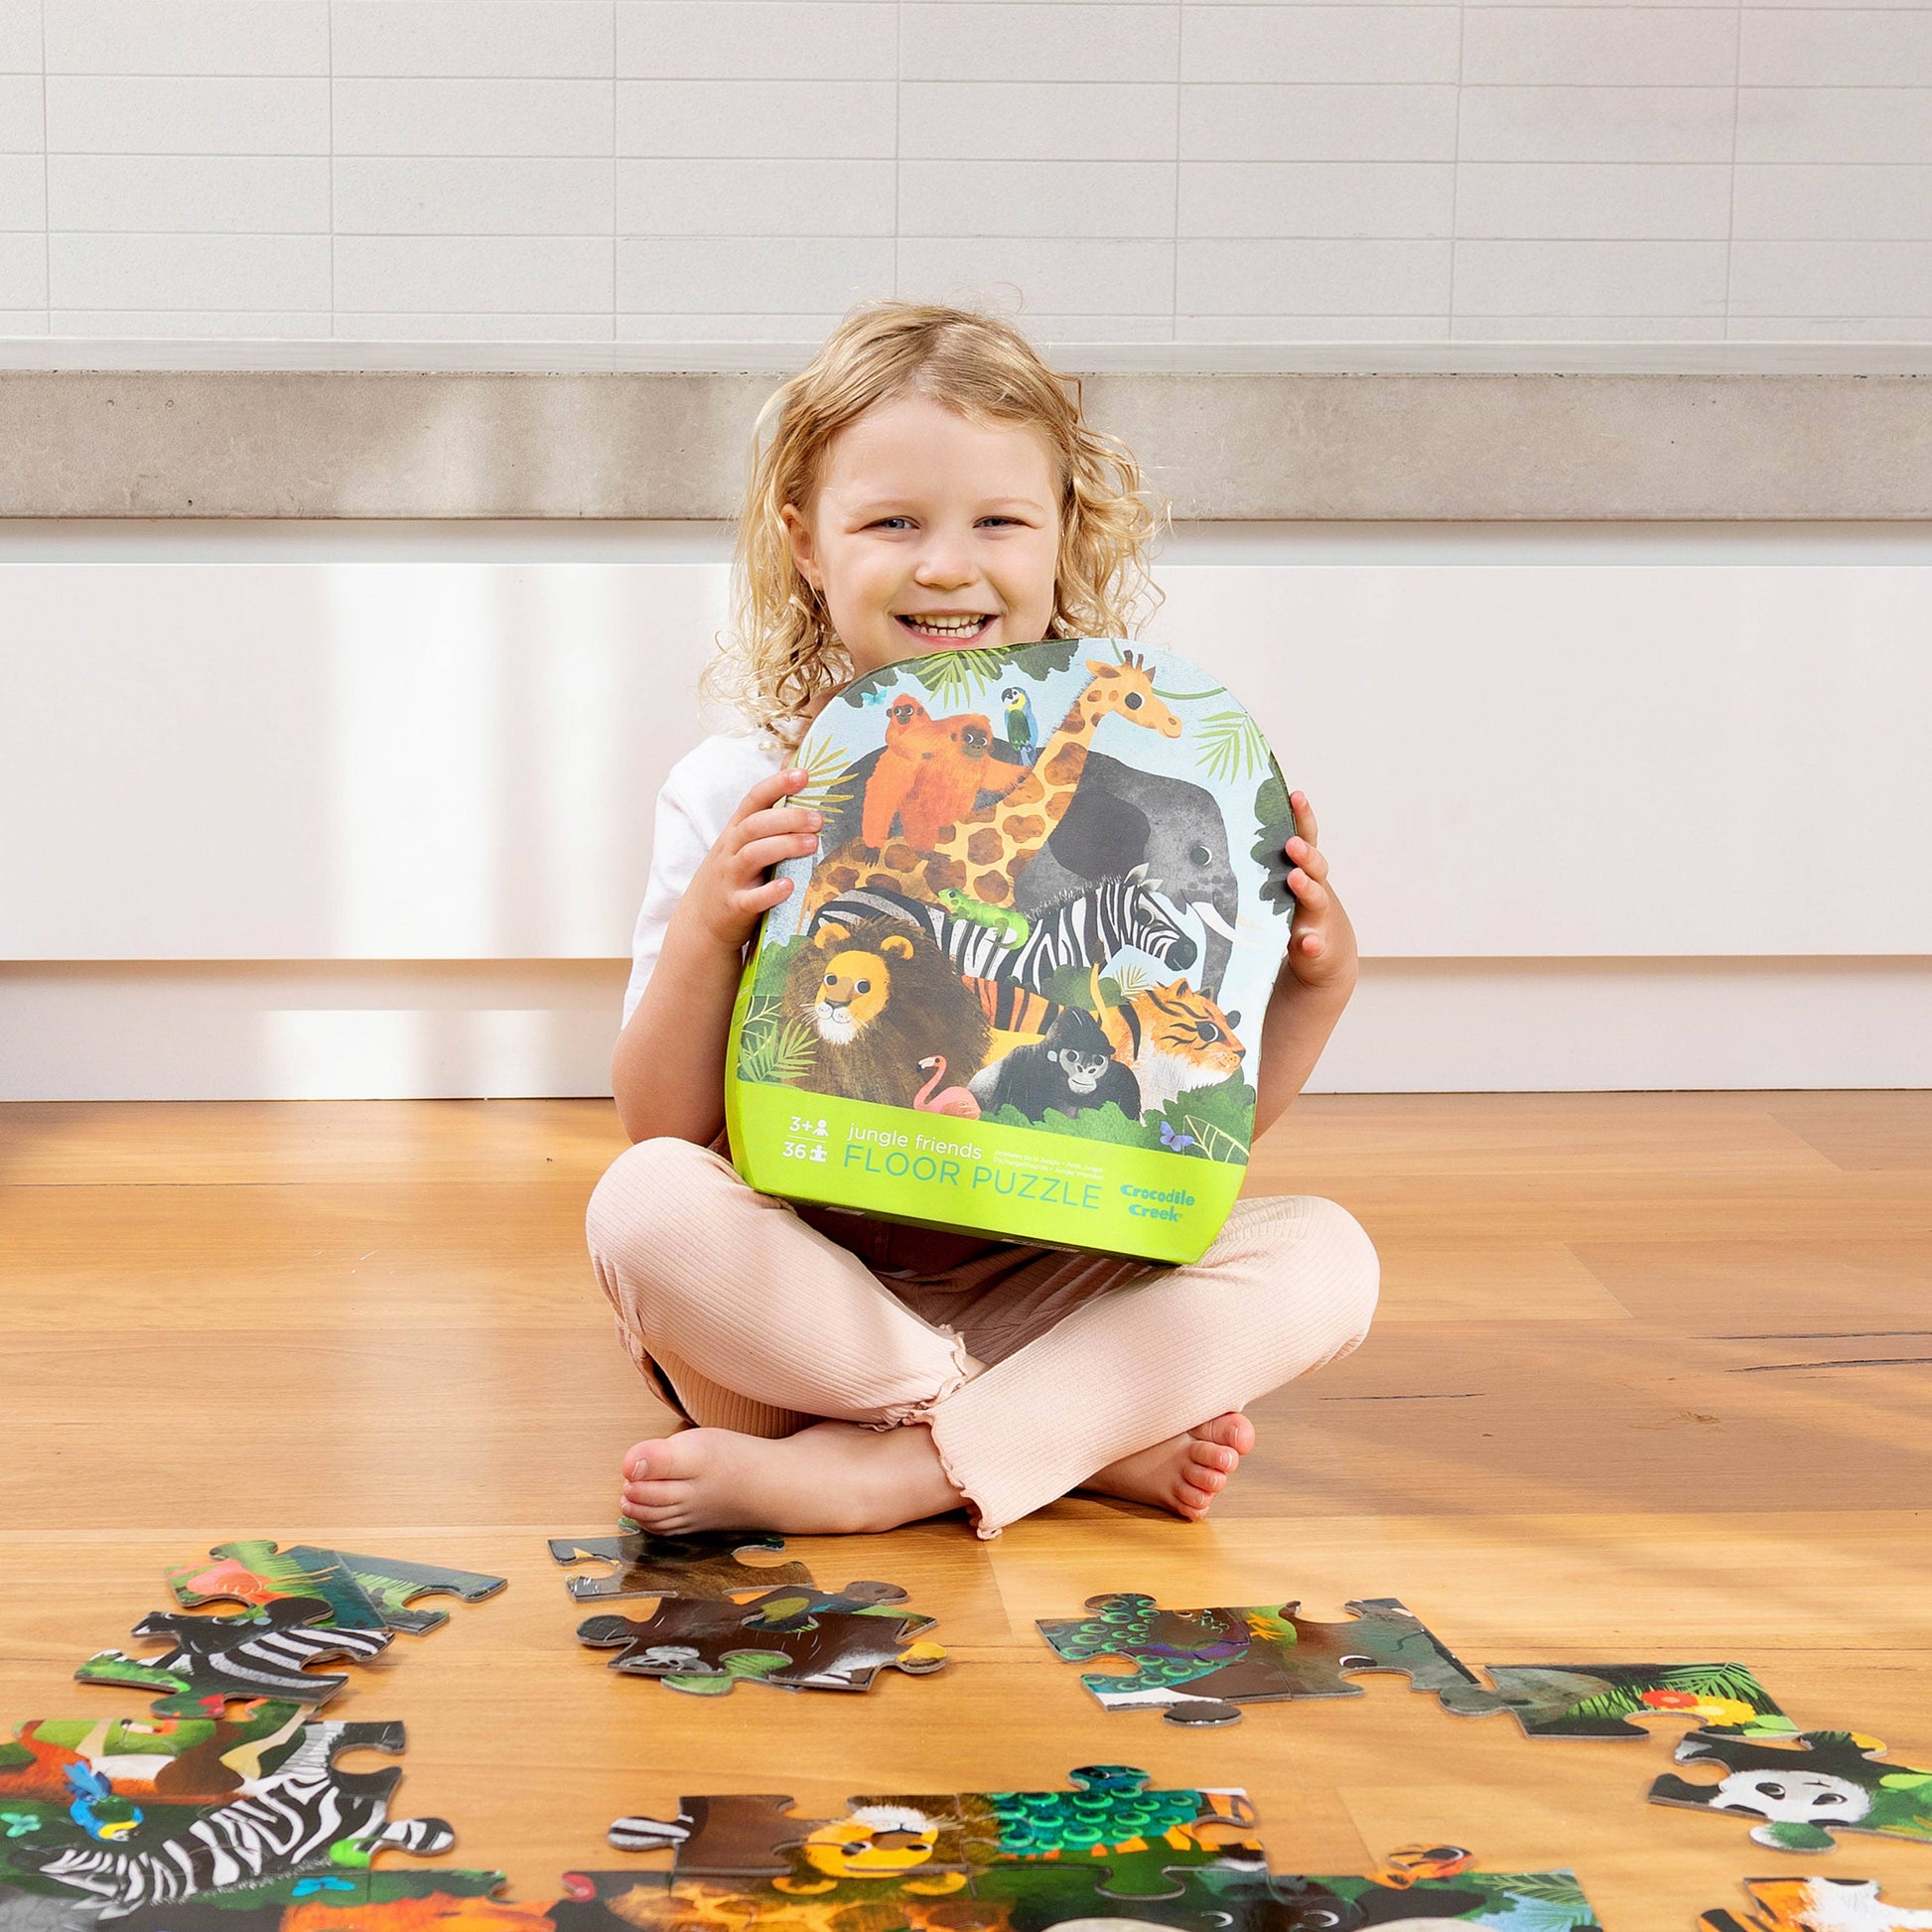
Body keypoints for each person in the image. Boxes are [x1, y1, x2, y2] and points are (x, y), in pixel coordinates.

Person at [588, 302, 1377, 1540]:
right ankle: (1057, 1439)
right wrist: (704, 932)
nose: (947, 564)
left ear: (1065, 532)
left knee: (1329, 1257)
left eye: (997, 521)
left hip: (1047, 1275)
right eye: (892, 521)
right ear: (804, 542)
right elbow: (661, 1124)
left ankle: (899, 1468)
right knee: (642, 1202)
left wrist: (1314, 988)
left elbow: (1183, 1129)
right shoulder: (741, 787)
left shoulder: (1124, 794)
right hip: (811, 1311)